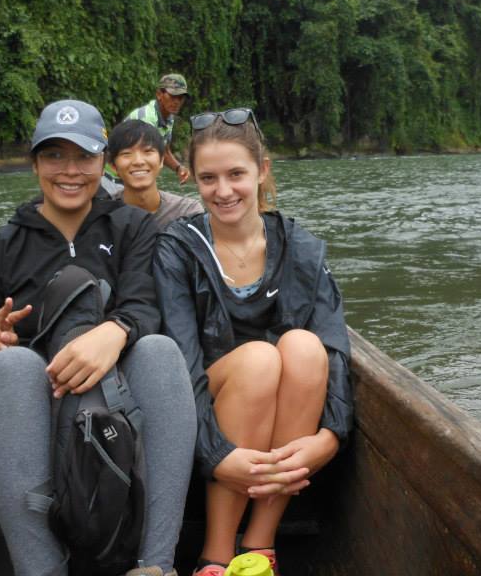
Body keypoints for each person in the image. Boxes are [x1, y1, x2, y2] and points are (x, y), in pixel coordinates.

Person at [0, 99, 197, 576]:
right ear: (35, 163)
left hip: (112, 415)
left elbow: (146, 305)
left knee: (160, 351)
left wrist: (114, 330)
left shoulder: (132, 227)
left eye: (83, 156)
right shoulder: (3, 247)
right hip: (23, 430)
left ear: (103, 162)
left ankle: (156, 566)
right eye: (54, 156)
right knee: (13, 364)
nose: (70, 171)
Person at [152, 108, 354, 576]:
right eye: (208, 178)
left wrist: (330, 436)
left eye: (236, 174)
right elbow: (181, 365)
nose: (223, 191)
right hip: (211, 405)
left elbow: (336, 346)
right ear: (194, 181)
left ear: (261, 171)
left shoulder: (300, 246)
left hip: (286, 419)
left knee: (305, 347)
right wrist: (217, 455)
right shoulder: (177, 249)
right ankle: (217, 554)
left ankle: (260, 546)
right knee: (260, 359)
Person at [107, 119, 204, 227]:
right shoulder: (103, 213)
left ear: (161, 160)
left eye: (148, 151)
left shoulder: (187, 212)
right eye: (126, 153)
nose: (139, 161)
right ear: (113, 166)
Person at [106, 74, 192, 187]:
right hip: (115, 174)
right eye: (172, 96)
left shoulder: (169, 118)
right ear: (159, 94)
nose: (176, 102)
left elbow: (164, 151)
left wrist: (178, 168)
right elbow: (144, 154)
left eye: (180, 98)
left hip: (133, 171)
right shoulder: (147, 117)